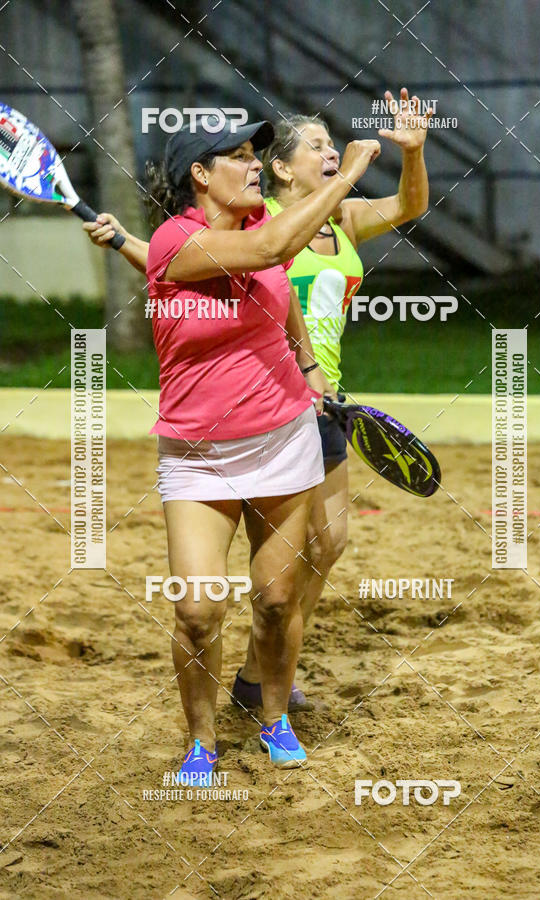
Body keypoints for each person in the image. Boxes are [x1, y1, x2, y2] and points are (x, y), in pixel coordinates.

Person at [83, 88, 429, 715]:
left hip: (317, 399)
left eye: (333, 145)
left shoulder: (333, 219)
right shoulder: (255, 219)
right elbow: (196, 262)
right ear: (282, 169)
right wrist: (128, 242)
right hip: (248, 414)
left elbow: (407, 207)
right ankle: (254, 682)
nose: (331, 152)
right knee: (238, 585)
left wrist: (411, 153)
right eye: (317, 146)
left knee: (326, 547)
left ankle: (257, 670)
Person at [111, 114, 380, 779]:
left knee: (278, 600)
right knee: (197, 610)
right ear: (200, 175)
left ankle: (274, 717)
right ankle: (202, 741)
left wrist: (308, 364)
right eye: (238, 156)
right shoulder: (177, 240)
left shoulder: (259, 224)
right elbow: (268, 252)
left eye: (257, 154)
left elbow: (278, 287)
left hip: (284, 438)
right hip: (199, 453)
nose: (256, 164)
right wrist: (346, 173)